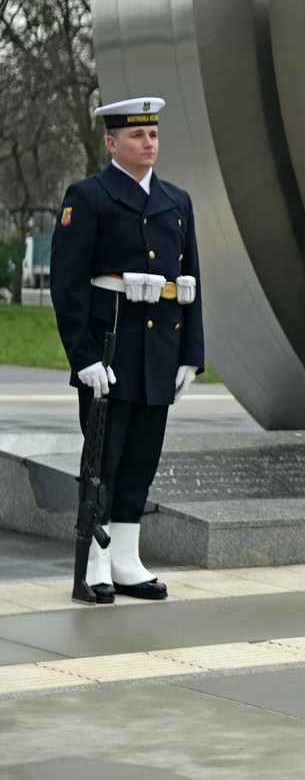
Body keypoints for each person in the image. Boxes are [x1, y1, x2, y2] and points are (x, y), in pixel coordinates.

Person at [50, 96, 204, 602]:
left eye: (154, 134)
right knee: (104, 459)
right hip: (110, 349)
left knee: (142, 457)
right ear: (112, 142)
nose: (149, 143)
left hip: (159, 347)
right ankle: (94, 562)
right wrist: (84, 356)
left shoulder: (177, 200)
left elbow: (189, 281)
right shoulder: (89, 196)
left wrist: (190, 354)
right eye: (137, 136)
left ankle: (125, 559)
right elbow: (68, 285)